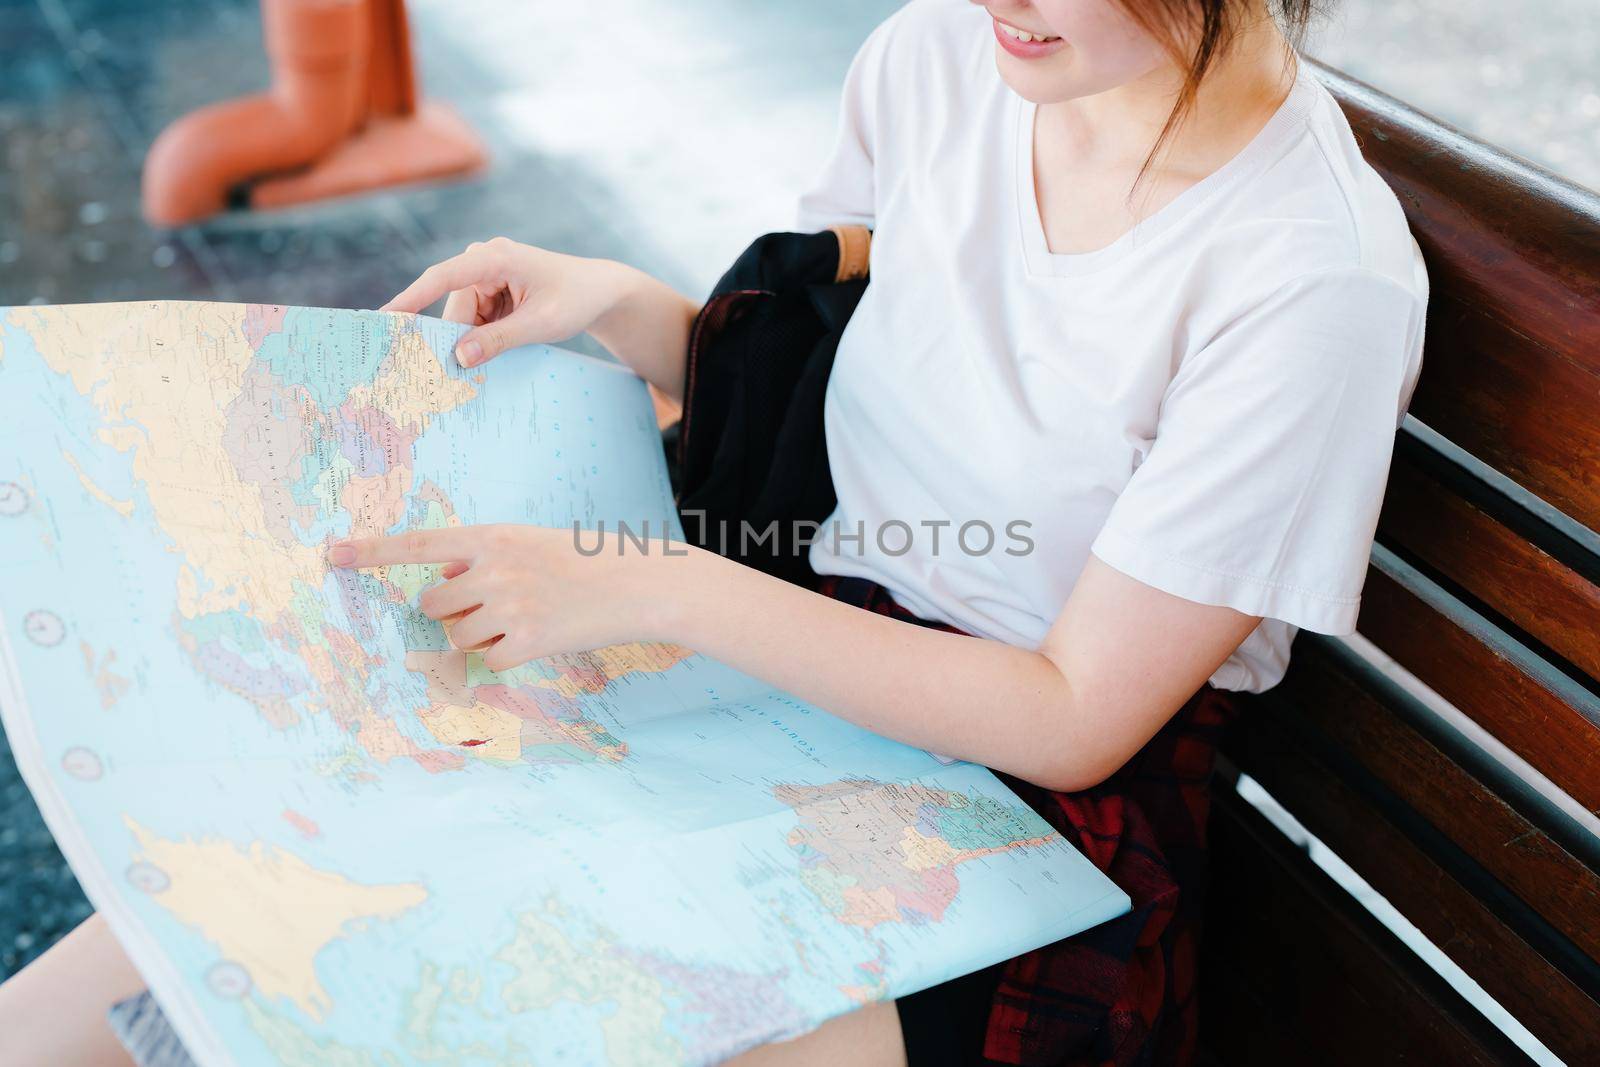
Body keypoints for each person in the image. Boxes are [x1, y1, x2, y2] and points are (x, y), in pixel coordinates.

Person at [0, 0, 1427, 1064]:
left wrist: (657, 586)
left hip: (1024, 821)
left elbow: (1072, 721)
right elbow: (854, 396)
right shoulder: (950, 57)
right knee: (177, 947)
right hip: (772, 664)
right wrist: (629, 311)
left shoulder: (1311, 283)